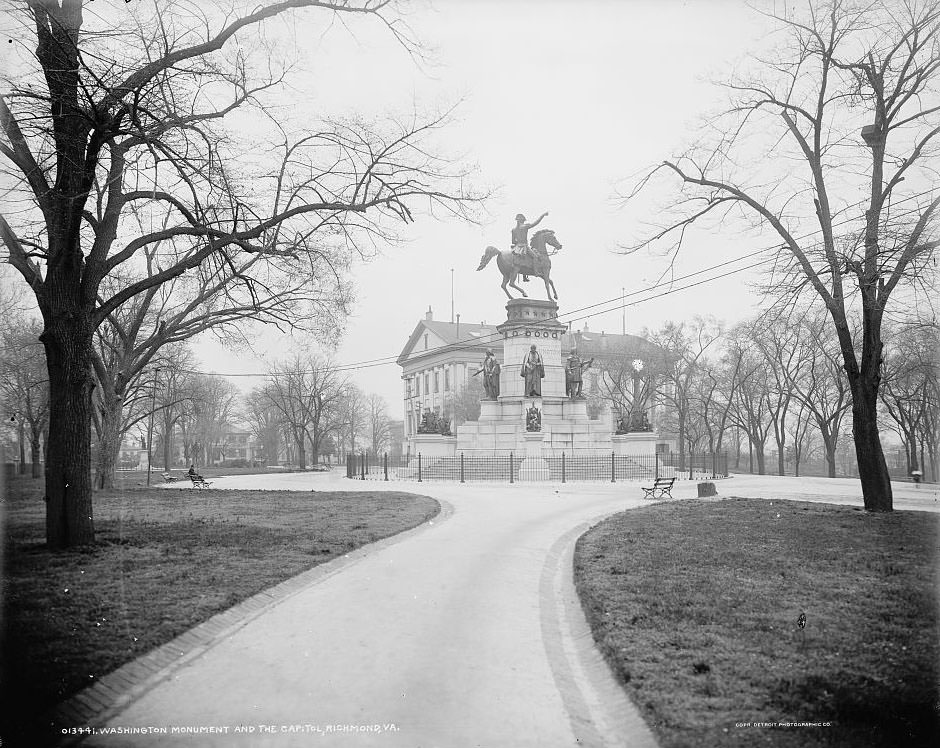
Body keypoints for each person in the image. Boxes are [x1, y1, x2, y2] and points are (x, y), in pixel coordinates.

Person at [511, 211, 549, 281]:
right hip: (524, 246)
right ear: (523, 220)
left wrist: (518, 243)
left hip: (517, 248)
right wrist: (542, 215)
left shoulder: (513, 230)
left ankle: (524, 276)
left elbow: (513, 241)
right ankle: (536, 272)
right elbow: (535, 223)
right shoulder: (525, 226)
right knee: (535, 257)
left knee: (523, 259)